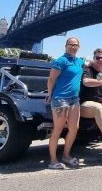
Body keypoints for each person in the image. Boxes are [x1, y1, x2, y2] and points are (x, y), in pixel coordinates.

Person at [45, 37, 84, 169]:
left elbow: (89, 64)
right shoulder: (61, 61)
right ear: (66, 45)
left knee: (74, 128)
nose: (73, 47)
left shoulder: (79, 61)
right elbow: (51, 79)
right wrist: (50, 95)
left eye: (76, 45)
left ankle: (66, 155)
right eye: (71, 44)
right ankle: (53, 160)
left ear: (79, 47)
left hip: (74, 99)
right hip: (60, 98)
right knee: (58, 129)